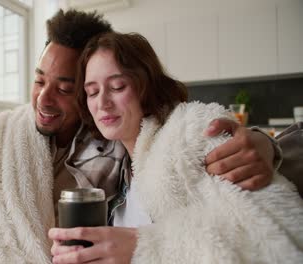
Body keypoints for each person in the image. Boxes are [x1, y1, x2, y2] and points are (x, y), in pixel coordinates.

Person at [0, 10, 279, 263]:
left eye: (65, 88)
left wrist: (266, 143)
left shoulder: (119, 135)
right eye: (39, 81)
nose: (43, 99)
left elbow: (183, 134)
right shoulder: (3, 138)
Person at [49, 32, 303, 263]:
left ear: (145, 85)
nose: (102, 103)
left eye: (117, 87)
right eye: (92, 92)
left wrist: (146, 247)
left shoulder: (191, 132)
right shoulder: (112, 167)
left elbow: (272, 239)